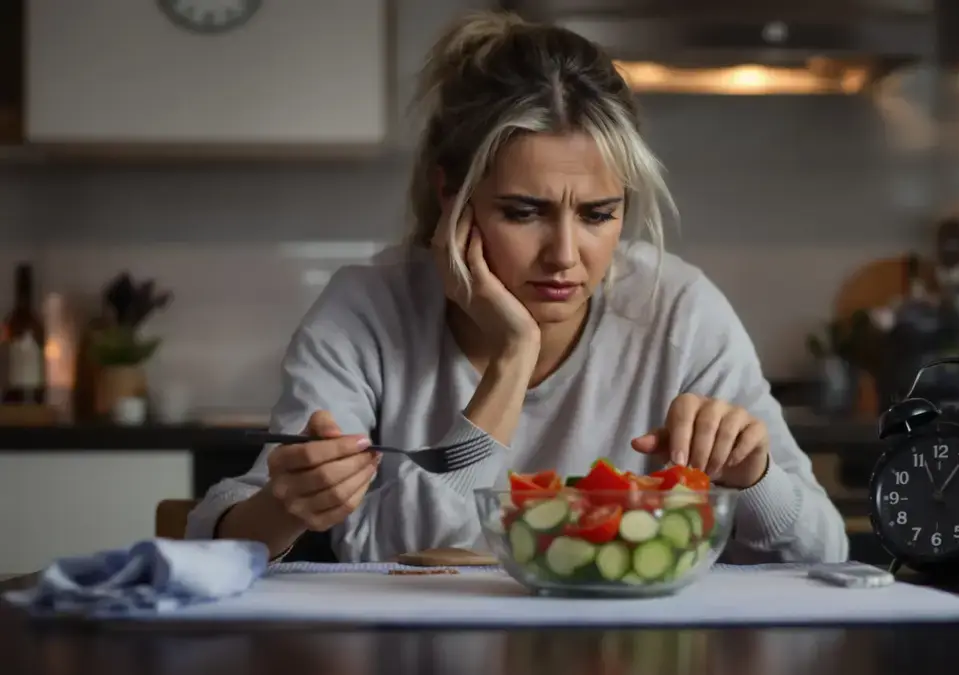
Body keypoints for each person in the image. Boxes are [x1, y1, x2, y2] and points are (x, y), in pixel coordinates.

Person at [185, 10, 849, 565]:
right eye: (523, 212)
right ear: (453, 194)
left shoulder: (679, 310)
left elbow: (827, 551)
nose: (565, 256)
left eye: (598, 214)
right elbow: (382, 551)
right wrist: (511, 360)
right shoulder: (367, 309)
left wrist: (752, 476)